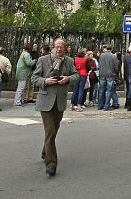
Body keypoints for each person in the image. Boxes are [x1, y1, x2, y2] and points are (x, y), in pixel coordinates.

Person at [31, 39, 78, 177]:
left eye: (61, 47)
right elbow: (34, 78)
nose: (59, 49)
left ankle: (46, 150)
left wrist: (68, 79)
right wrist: (45, 81)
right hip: (45, 100)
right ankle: (51, 163)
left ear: (65, 49)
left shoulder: (69, 61)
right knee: (50, 130)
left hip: (60, 101)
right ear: (52, 48)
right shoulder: (43, 60)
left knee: (54, 130)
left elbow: (77, 76)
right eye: (56, 47)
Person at [15, 43, 37, 107]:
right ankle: (17, 101)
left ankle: (19, 100)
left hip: (21, 72)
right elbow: (29, 63)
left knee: (21, 87)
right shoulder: (26, 54)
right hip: (23, 73)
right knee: (21, 88)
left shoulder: (23, 53)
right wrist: (34, 61)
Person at [97, 45, 118, 111]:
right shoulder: (113, 56)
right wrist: (115, 72)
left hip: (102, 74)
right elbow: (115, 67)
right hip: (110, 74)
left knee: (101, 90)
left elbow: (99, 65)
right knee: (109, 90)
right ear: (111, 49)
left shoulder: (101, 55)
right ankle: (106, 106)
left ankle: (100, 105)